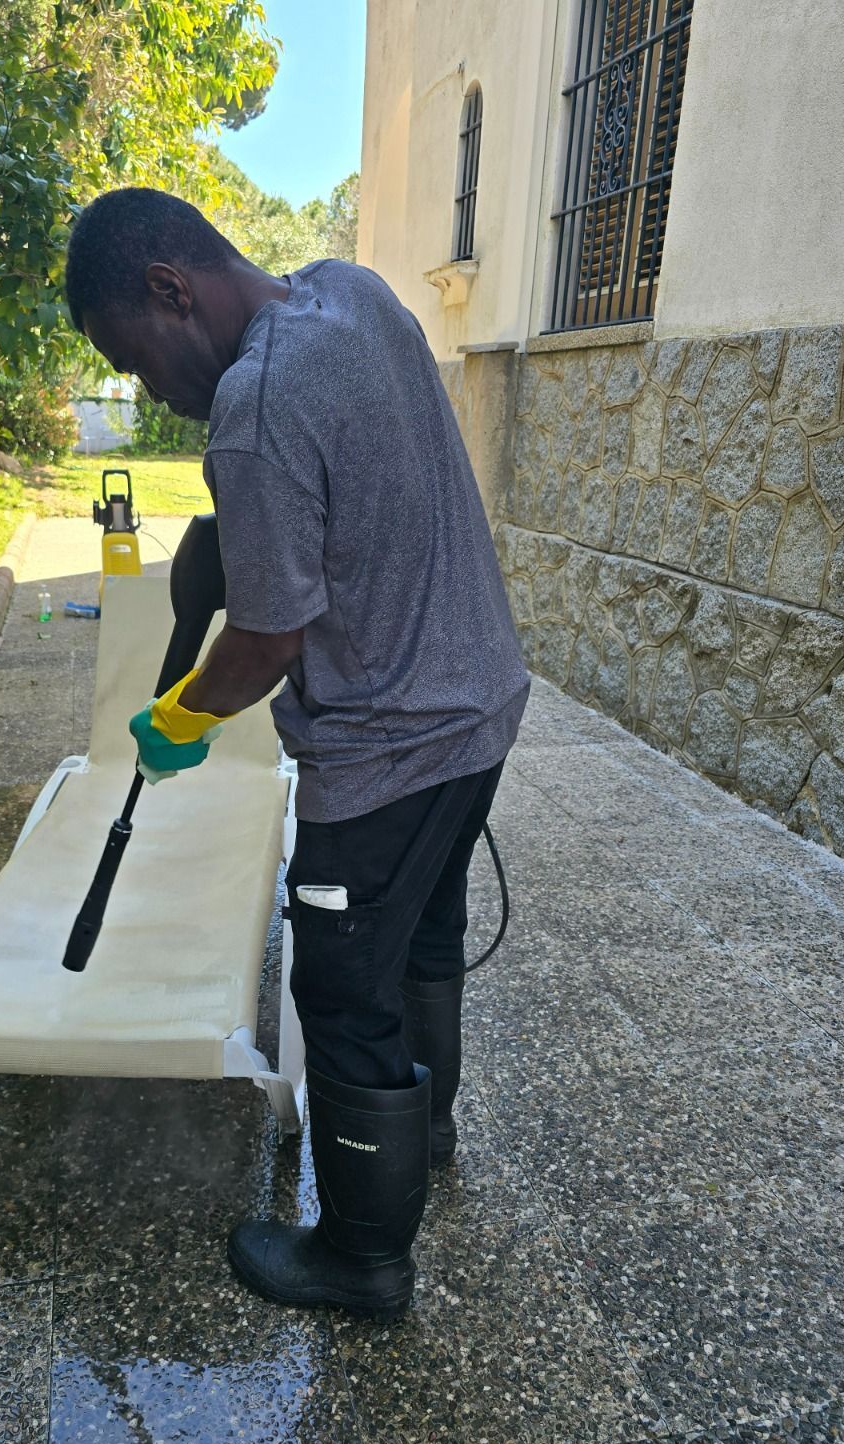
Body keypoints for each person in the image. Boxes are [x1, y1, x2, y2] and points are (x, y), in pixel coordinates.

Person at [65, 188, 529, 1321]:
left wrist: (179, 717)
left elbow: (267, 642)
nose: (150, 390)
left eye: (137, 357)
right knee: (423, 933)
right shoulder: (351, 293)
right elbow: (356, 482)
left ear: (172, 289)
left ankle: (362, 1257)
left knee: (340, 984)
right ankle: (429, 1135)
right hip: (480, 704)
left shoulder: (255, 408)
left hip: (386, 750)